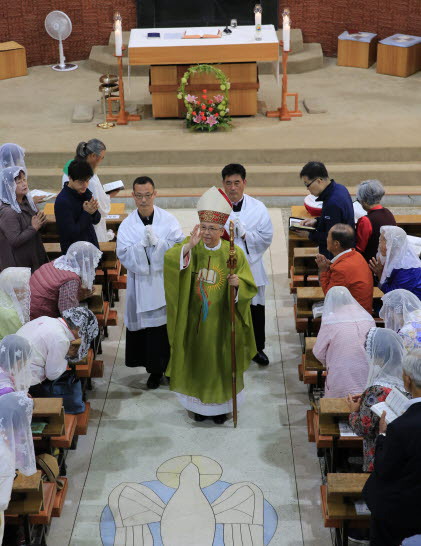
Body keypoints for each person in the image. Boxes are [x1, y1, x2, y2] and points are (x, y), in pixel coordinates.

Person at [164, 186, 257, 424]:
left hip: (223, 321)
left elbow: (249, 284)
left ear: (221, 229)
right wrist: (188, 248)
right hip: (194, 322)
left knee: (221, 362)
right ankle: (198, 407)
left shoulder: (233, 253)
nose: (206, 232)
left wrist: (238, 285)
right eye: (203, 227)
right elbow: (170, 260)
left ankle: (221, 409)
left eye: (212, 228)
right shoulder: (192, 245)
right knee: (197, 363)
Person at [117, 176, 184, 389]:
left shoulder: (169, 220)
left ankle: (171, 369)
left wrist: (160, 244)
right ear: (133, 196)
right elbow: (123, 254)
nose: (144, 200)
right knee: (149, 333)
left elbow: (180, 248)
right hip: (142, 285)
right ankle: (154, 371)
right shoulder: (127, 225)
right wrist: (141, 247)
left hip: (164, 283)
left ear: (155, 194)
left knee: (166, 328)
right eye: (139, 196)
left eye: (148, 195)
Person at [363, 351, 421, 545]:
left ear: (407, 380)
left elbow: (384, 468)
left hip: (401, 510)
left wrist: (382, 435)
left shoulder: (400, 427)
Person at [222, 163, 273, 366]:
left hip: (251, 268)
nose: (233, 188)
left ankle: (256, 349)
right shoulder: (216, 207)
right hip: (225, 268)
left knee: (254, 309)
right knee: (226, 309)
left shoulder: (258, 208)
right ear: (223, 184)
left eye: (237, 183)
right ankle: (227, 348)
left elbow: (266, 237)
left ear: (244, 182)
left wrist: (245, 235)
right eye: (228, 183)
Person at [347, 328, 406, 472]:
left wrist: (353, 411)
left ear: (379, 356)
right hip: (403, 455)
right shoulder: (407, 382)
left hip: (379, 456)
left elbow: (362, 428)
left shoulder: (376, 391)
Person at [17, 307, 98, 412]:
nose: (81, 338)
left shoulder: (46, 319)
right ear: (79, 328)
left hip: (10, 373)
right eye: (84, 334)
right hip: (25, 385)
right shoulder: (61, 339)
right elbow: (52, 374)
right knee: (66, 388)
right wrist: (66, 357)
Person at [312, 286, 374, 398]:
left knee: (339, 398)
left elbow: (318, 352)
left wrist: (330, 361)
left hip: (341, 373)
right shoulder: (368, 317)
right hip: (367, 373)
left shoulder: (330, 320)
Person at [63, 140, 120, 242]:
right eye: (102, 157)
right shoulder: (89, 178)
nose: (101, 160)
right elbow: (100, 207)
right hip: (88, 226)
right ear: (93, 156)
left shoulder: (72, 166)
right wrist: (108, 196)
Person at [30, 241, 102, 319]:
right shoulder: (71, 280)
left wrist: (76, 295)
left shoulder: (59, 262)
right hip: (38, 316)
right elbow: (68, 314)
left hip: (29, 305)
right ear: (83, 262)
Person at [297, 161, 354, 259]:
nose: (307, 189)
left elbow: (332, 238)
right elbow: (336, 220)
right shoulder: (340, 188)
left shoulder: (333, 203)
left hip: (335, 256)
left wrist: (309, 235)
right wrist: (316, 221)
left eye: (307, 184)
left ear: (319, 181)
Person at [316, 224, 374, 313]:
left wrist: (323, 271)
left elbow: (329, 297)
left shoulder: (341, 269)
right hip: (363, 309)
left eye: (328, 237)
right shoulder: (357, 255)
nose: (326, 239)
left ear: (336, 244)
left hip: (354, 316)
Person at [0, 166, 48, 272]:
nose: (24, 184)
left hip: (33, 257)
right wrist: (33, 228)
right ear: (8, 186)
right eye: (18, 182)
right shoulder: (8, 212)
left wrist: (42, 221)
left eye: (24, 180)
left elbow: (38, 226)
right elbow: (15, 240)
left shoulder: (28, 202)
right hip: (18, 265)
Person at [54, 159, 100, 254]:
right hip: (74, 253)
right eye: (81, 182)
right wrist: (86, 213)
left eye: (87, 181)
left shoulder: (85, 193)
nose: (85, 185)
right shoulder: (62, 201)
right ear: (70, 178)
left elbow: (96, 220)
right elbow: (71, 234)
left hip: (90, 246)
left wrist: (93, 211)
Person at [369, 226, 421, 298]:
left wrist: (380, 274)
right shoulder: (395, 257)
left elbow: (394, 296)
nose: (379, 242)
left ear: (393, 244)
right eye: (380, 239)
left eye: (383, 240)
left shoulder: (407, 268)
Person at [355, 179, 396, 262]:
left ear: (364, 201)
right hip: (388, 261)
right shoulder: (388, 213)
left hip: (370, 263)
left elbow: (359, 249)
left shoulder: (365, 220)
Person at [0, 267, 31, 339]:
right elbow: (23, 338)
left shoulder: (4, 296)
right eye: (23, 286)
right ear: (12, 288)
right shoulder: (11, 315)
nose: (27, 289)